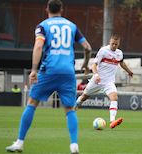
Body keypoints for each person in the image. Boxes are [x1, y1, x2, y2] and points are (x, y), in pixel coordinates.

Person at [6, 0, 92, 153]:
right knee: (70, 109)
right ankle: (74, 146)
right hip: (68, 72)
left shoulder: (43, 26)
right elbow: (87, 47)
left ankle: (19, 143)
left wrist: (34, 69)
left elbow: (39, 46)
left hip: (49, 70)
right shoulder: (72, 26)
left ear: (47, 9)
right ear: (62, 9)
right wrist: (85, 64)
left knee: (32, 103)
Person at [76, 34, 133, 129]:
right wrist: (96, 75)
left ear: (118, 44)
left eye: (116, 44)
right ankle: (75, 107)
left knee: (114, 97)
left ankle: (112, 121)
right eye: (112, 44)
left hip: (109, 82)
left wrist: (129, 71)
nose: (114, 46)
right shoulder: (103, 51)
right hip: (97, 80)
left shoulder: (119, 53)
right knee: (84, 97)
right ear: (109, 42)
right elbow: (94, 65)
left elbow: (121, 62)